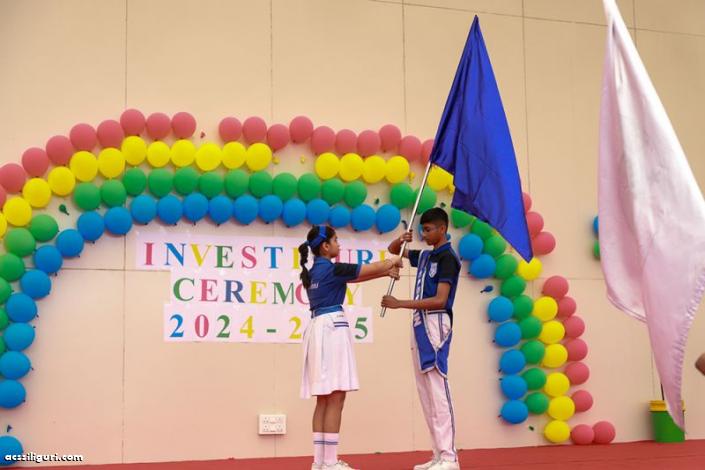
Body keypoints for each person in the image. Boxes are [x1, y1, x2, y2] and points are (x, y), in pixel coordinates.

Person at [299, 224, 402, 470]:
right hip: (332, 330)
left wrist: (385, 273)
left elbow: (358, 276)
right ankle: (331, 462)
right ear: (326, 246)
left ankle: (320, 462)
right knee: (336, 397)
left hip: (318, 329)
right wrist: (392, 261)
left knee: (324, 399)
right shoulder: (333, 269)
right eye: (336, 240)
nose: (339, 244)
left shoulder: (315, 272)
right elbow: (369, 268)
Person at [382, 208, 462, 470]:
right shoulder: (427, 255)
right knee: (425, 391)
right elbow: (394, 251)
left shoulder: (448, 257)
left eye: (428, 230)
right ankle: (438, 454)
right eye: (421, 230)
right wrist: (401, 239)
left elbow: (440, 299)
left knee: (438, 388)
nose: (423, 234)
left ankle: (449, 456)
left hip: (436, 320)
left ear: (442, 229)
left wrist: (399, 303)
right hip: (420, 322)